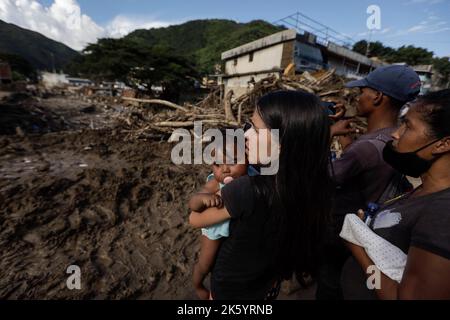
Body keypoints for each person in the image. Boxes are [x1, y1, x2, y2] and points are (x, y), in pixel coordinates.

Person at [189, 90, 333, 299]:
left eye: (255, 129)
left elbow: (194, 219)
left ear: (282, 143)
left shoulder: (247, 189)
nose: (245, 135)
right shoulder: (311, 186)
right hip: (267, 286)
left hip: (231, 290)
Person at [316, 65, 421, 300]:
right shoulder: (396, 137)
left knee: (330, 288)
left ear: (377, 97)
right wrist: (344, 130)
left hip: (343, 235)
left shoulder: (366, 148)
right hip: (368, 229)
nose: (357, 96)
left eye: (362, 90)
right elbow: (361, 163)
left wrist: (327, 132)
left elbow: (318, 177)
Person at [341, 89, 450, 299]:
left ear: (443, 144)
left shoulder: (443, 214)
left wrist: (358, 248)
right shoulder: (424, 188)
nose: (396, 133)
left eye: (408, 126)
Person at [189, 130, 253, 300]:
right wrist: (204, 199)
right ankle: (198, 284)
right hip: (214, 231)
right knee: (206, 263)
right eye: (218, 164)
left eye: (232, 161)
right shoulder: (214, 183)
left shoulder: (252, 178)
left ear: (247, 157)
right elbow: (193, 204)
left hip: (235, 235)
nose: (225, 169)